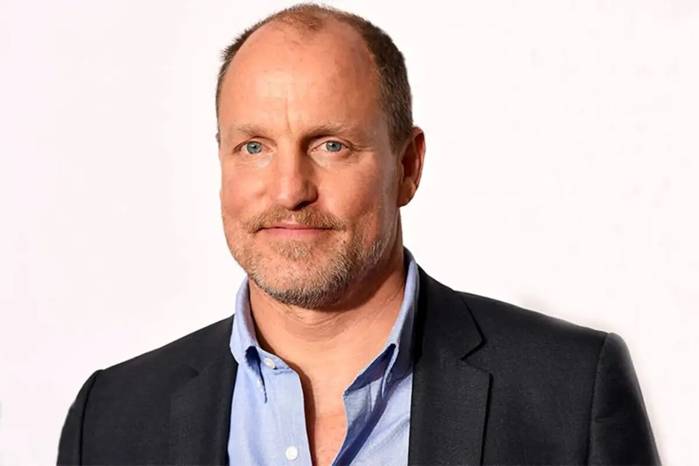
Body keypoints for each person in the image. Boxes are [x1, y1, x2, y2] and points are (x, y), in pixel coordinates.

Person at [57, 3, 660, 465]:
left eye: (331, 145)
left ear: (409, 165)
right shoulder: (110, 420)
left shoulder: (569, 395)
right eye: (254, 147)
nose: (289, 190)